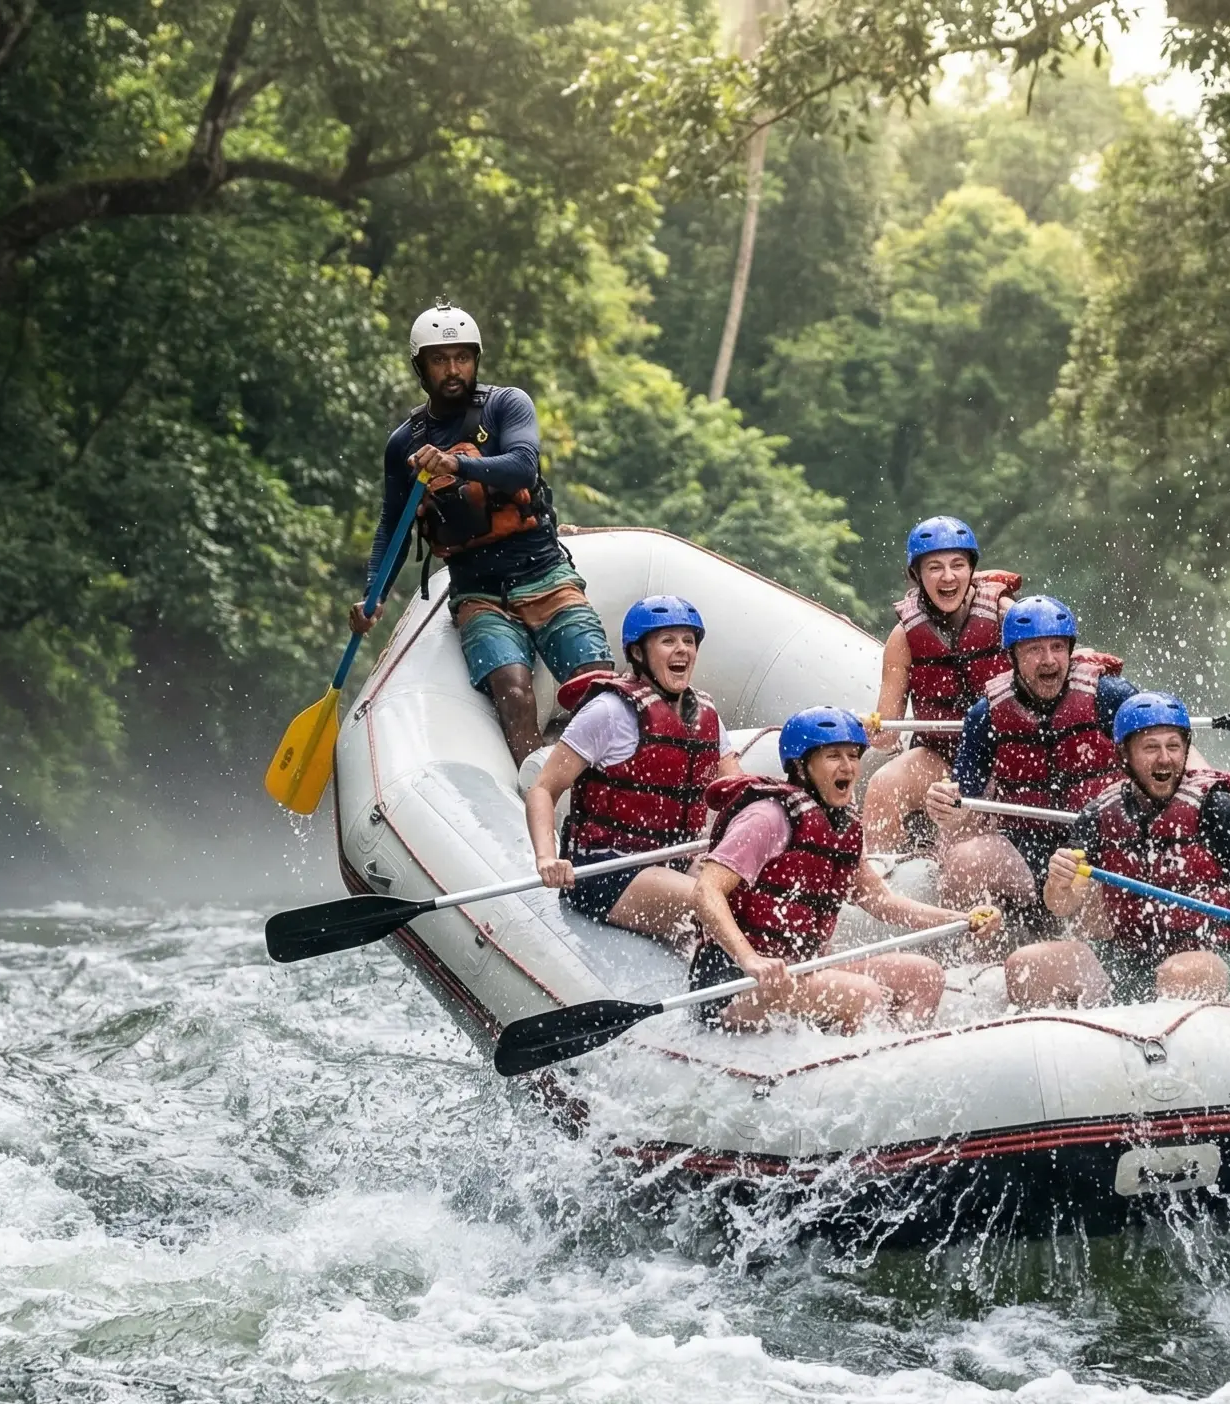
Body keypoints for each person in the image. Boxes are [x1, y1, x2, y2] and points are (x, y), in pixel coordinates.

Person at [350, 301, 610, 761]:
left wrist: (456, 462)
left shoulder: (507, 405)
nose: (453, 370)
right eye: (439, 360)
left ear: (476, 359)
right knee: (512, 688)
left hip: (544, 573)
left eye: (462, 358)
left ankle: (605, 790)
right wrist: (375, 594)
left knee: (596, 683)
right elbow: (393, 523)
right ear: (420, 367)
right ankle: (533, 790)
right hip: (478, 593)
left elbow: (521, 468)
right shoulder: (403, 444)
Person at [1005, 692, 1230, 1006]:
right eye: (1150, 748)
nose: (1165, 758)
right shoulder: (1099, 813)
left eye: (1174, 746)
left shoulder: (1217, 809)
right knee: (1027, 964)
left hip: (1218, 959)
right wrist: (1058, 881)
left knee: (1180, 973)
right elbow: (1061, 904)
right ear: (1124, 754)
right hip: (1131, 957)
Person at [690, 708, 994, 1032]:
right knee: (863, 995)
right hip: (735, 982)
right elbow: (706, 890)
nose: (848, 766)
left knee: (924, 976)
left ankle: (889, 1062)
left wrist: (959, 920)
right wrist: (750, 959)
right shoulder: (766, 816)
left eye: (853, 755)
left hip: (802, 972)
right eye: (833, 756)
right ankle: (848, 1067)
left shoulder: (843, 827)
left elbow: (881, 901)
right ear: (800, 766)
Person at [921, 595, 1170, 918]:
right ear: (1012, 656)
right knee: (966, 858)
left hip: (1098, 844)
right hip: (1025, 847)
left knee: (1098, 884)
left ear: (1070, 650)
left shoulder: (1110, 697)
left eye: (1057, 647)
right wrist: (945, 805)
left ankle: (1088, 953)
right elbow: (962, 800)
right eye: (1034, 650)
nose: (1049, 660)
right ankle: (973, 961)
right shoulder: (985, 715)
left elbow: (1167, 754)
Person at [523, 596, 739, 941]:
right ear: (638, 653)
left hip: (675, 859)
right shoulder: (608, 711)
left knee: (754, 896)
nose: (682, 649)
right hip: (606, 869)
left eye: (688, 640)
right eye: (668, 641)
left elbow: (739, 792)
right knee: (722, 903)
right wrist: (547, 857)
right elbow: (543, 788)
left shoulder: (706, 716)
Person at [864, 516, 1023, 853]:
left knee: (965, 818)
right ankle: (882, 877)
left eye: (958, 565)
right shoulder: (903, 639)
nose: (948, 577)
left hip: (1005, 756)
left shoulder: (1006, 617)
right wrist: (869, 729)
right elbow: (888, 732)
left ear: (971, 570)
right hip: (939, 756)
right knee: (883, 785)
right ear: (917, 575)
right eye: (934, 567)